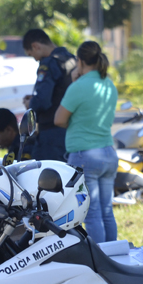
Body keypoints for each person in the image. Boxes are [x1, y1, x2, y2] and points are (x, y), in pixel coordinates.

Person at [54, 41, 118, 242]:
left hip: (85, 155)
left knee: (91, 214)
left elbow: (59, 119)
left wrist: (74, 82)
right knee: (107, 211)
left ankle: (99, 260)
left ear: (79, 61)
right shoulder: (108, 83)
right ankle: (113, 257)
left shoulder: (78, 87)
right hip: (108, 152)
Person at [22, 29, 76, 161]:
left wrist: (31, 104)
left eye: (31, 54)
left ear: (36, 46)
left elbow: (43, 100)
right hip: (71, 130)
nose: (35, 59)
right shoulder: (71, 59)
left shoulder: (49, 64)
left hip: (51, 133)